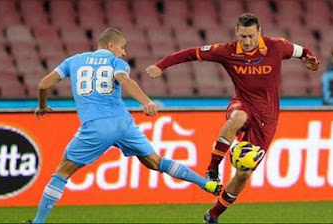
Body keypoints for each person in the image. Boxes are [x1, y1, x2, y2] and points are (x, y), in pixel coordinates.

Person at [30, 28, 222, 223]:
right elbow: (124, 80)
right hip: (123, 124)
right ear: (110, 45)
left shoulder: (73, 61)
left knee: (62, 173)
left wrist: (42, 106)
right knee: (156, 161)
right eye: (122, 48)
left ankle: (38, 221)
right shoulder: (117, 62)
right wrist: (146, 101)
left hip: (95, 127)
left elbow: (43, 85)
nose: (124, 52)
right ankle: (205, 184)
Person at [146, 13, 320, 223]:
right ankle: (212, 169)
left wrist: (309, 59)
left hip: (268, 118)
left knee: (243, 174)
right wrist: (161, 65)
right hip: (242, 103)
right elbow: (192, 53)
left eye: (250, 36)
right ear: (237, 33)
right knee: (237, 117)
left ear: (259, 32)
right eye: (242, 36)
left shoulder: (277, 47)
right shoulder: (227, 51)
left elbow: (303, 52)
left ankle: (213, 215)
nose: (246, 41)